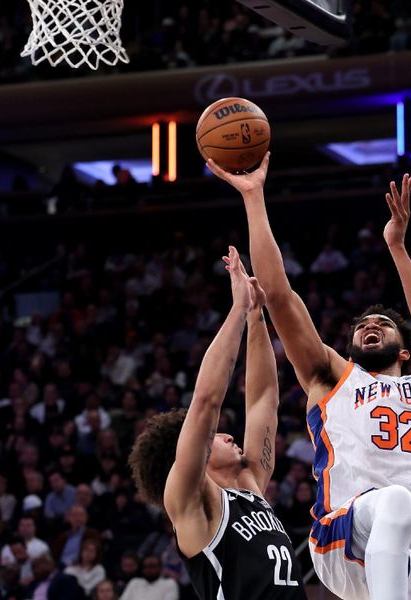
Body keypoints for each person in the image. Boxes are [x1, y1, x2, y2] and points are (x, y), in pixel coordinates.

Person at [208, 153, 411, 599]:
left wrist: (397, 249)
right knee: (394, 500)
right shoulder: (331, 377)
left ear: (404, 349)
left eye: (382, 323)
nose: (369, 325)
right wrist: (253, 197)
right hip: (344, 531)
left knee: (402, 510)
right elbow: (280, 297)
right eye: (362, 325)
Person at [128, 247, 305, 600]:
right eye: (215, 437)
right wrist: (237, 310)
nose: (226, 434)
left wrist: (257, 317)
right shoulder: (192, 503)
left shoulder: (249, 486)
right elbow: (207, 402)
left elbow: (263, 399)